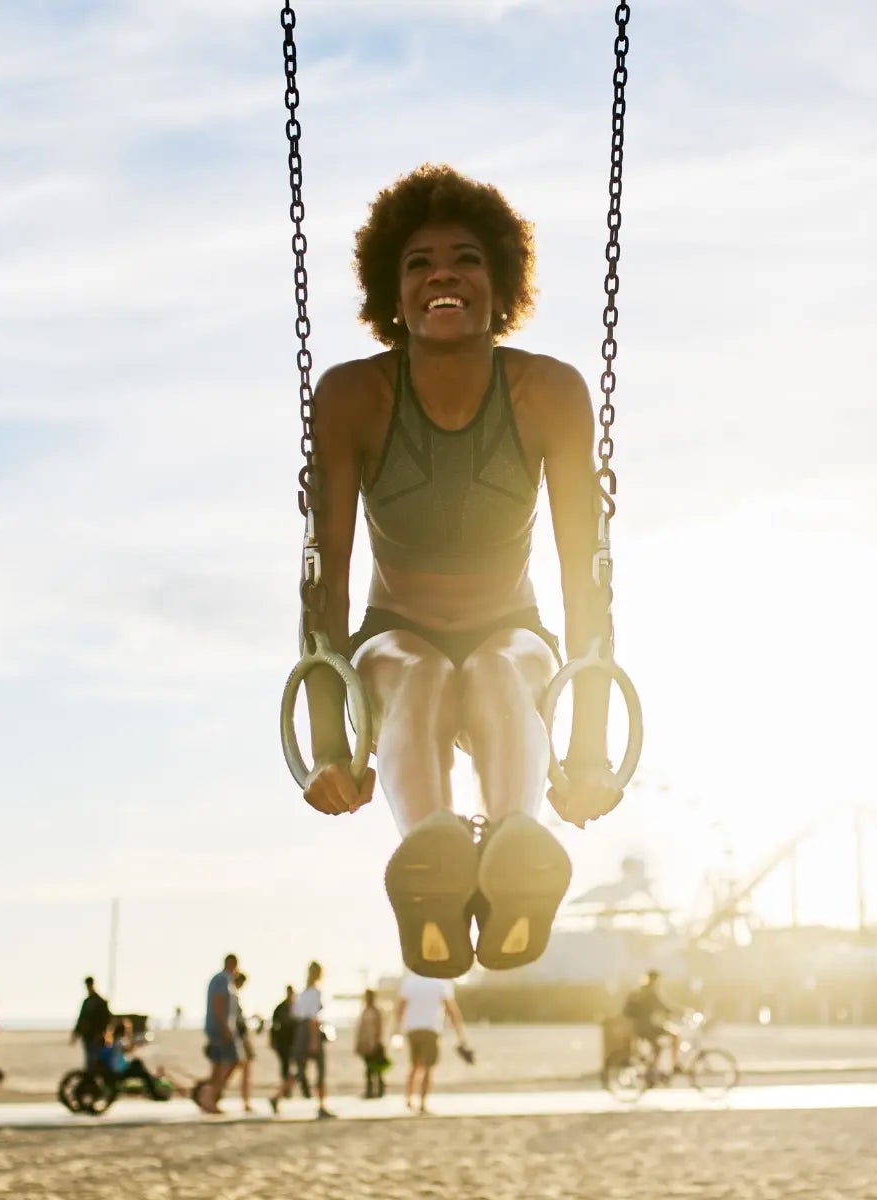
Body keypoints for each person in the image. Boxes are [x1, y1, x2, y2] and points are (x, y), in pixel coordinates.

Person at [294, 164, 626, 980]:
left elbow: (588, 576)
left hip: (512, 627)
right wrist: (330, 741)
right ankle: (434, 862)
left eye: (467, 258)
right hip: (392, 630)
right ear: (392, 294)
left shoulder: (548, 392)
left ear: (501, 282)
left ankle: (515, 854)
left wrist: (588, 749)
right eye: (418, 263)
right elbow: (323, 579)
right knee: (414, 675)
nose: (443, 273)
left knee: (504, 670)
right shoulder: (353, 395)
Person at [396, 968, 470, 1114]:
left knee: (414, 1065)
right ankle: (422, 1103)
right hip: (431, 1028)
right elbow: (452, 1010)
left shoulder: (410, 981)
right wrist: (460, 1035)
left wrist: (396, 1031)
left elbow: (400, 1008)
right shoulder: (441, 982)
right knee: (427, 1067)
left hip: (412, 1029)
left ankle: (409, 1099)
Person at [274, 961, 333, 1118]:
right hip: (310, 1031)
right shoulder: (314, 992)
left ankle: (277, 1096)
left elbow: (296, 1014)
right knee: (319, 1069)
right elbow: (312, 1017)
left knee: (298, 1068)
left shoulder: (303, 993)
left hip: (301, 1032)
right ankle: (321, 1105)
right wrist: (314, 1040)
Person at [200, 953, 242, 1113]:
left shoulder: (219, 979)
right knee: (233, 1059)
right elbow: (218, 1004)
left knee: (218, 1064)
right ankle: (210, 1095)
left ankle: (209, 1097)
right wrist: (225, 1028)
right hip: (220, 1028)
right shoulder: (223, 980)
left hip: (216, 1027)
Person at [621, 969, 679, 1077]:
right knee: (674, 1035)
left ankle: (653, 1069)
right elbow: (664, 1007)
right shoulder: (651, 993)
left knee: (658, 1046)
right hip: (648, 1028)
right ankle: (673, 1066)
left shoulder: (640, 991)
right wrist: (680, 1012)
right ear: (655, 980)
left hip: (639, 1028)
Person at [97, 1019, 164, 1100]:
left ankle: (152, 1087)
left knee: (137, 1063)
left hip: (118, 1068)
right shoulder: (120, 1040)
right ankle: (154, 1092)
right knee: (143, 1072)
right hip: (120, 1070)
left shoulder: (114, 1041)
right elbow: (127, 1048)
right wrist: (140, 1043)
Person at [69, 976, 113, 1073]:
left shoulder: (99, 1002)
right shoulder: (87, 1002)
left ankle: (92, 1078)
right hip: (88, 1035)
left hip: (97, 1036)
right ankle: (90, 1077)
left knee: (95, 1057)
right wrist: (76, 1033)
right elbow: (81, 1019)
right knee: (90, 1057)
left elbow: (106, 1019)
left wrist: (102, 1033)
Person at [268, 984, 302, 1099]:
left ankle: (287, 1090)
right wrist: (272, 1041)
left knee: (298, 1068)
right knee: (286, 1067)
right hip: (283, 1042)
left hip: (294, 1042)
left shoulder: (296, 1007)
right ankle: (285, 1091)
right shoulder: (281, 1008)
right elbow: (273, 1026)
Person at [355, 988, 388, 1100]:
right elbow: (361, 1028)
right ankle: (370, 1090)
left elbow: (379, 1028)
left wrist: (377, 1042)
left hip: (374, 1043)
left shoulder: (376, 1011)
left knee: (377, 1068)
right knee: (369, 1068)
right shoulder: (365, 1010)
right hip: (365, 1044)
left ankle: (379, 1091)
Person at [231, 971, 256, 1113]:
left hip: (240, 1036)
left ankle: (246, 1100)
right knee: (241, 1067)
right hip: (239, 1037)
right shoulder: (233, 997)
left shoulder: (234, 996)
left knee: (243, 1068)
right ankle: (245, 1100)